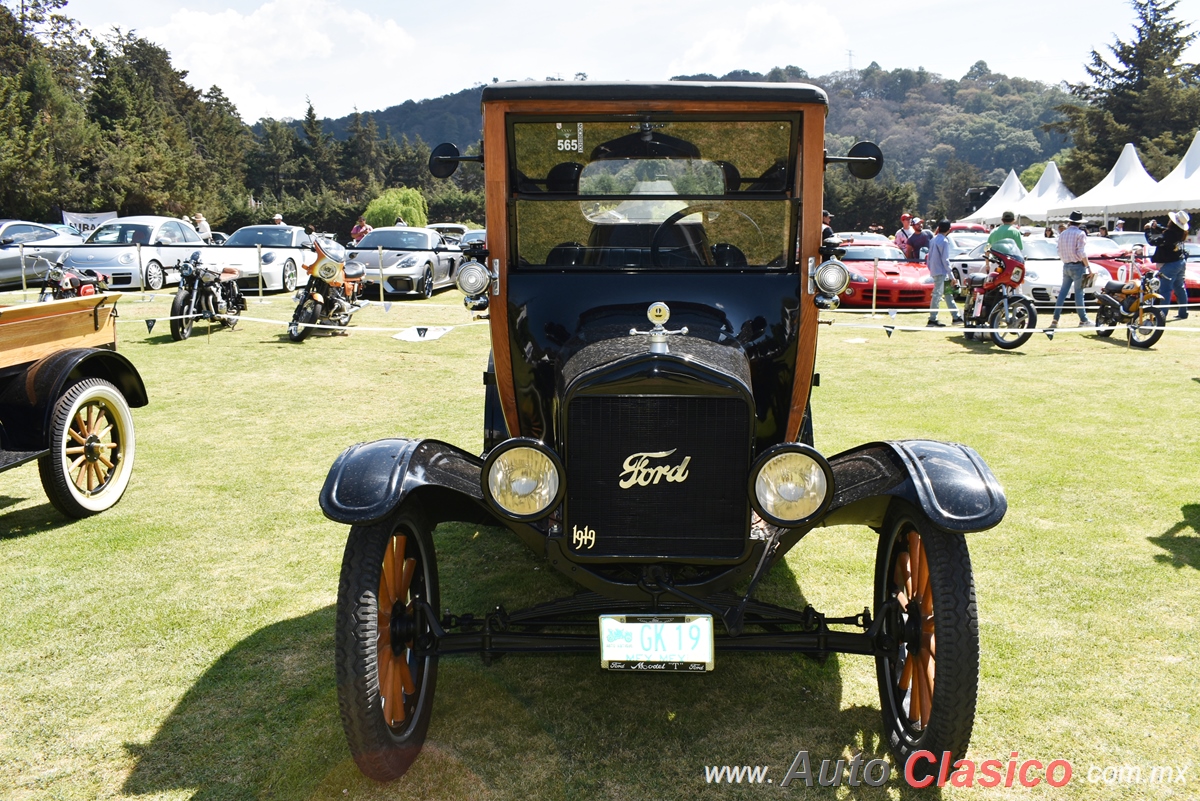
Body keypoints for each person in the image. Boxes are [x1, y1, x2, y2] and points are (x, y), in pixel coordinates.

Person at [1050, 211, 1092, 328]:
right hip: (1078, 265)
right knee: (1079, 293)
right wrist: (1088, 267)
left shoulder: (1062, 234)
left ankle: (1055, 319)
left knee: (1063, 293)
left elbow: (1059, 250)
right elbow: (1081, 252)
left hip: (1066, 265)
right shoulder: (1080, 233)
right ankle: (1083, 320)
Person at [1146, 210, 1190, 320]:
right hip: (1180, 261)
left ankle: (1161, 315)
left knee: (1165, 290)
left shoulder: (1170, 234)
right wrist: (1157, 227)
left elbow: (1153, 241)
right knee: (1179, 287)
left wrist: (1147, 230)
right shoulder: (1180, 233)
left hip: (1170, 265)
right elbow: (1166, 232)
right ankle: (1183, 313)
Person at [926, 219, 962, 327]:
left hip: (935, 270)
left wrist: (931, 269)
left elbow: (929, 257)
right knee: (937, 295)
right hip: (941, 271)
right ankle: (932, 319)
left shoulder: (933, 240)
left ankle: (956, 316)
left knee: (947, 293)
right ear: (949, 230)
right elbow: (945, 260)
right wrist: (952, 276)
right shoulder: (944, 241)